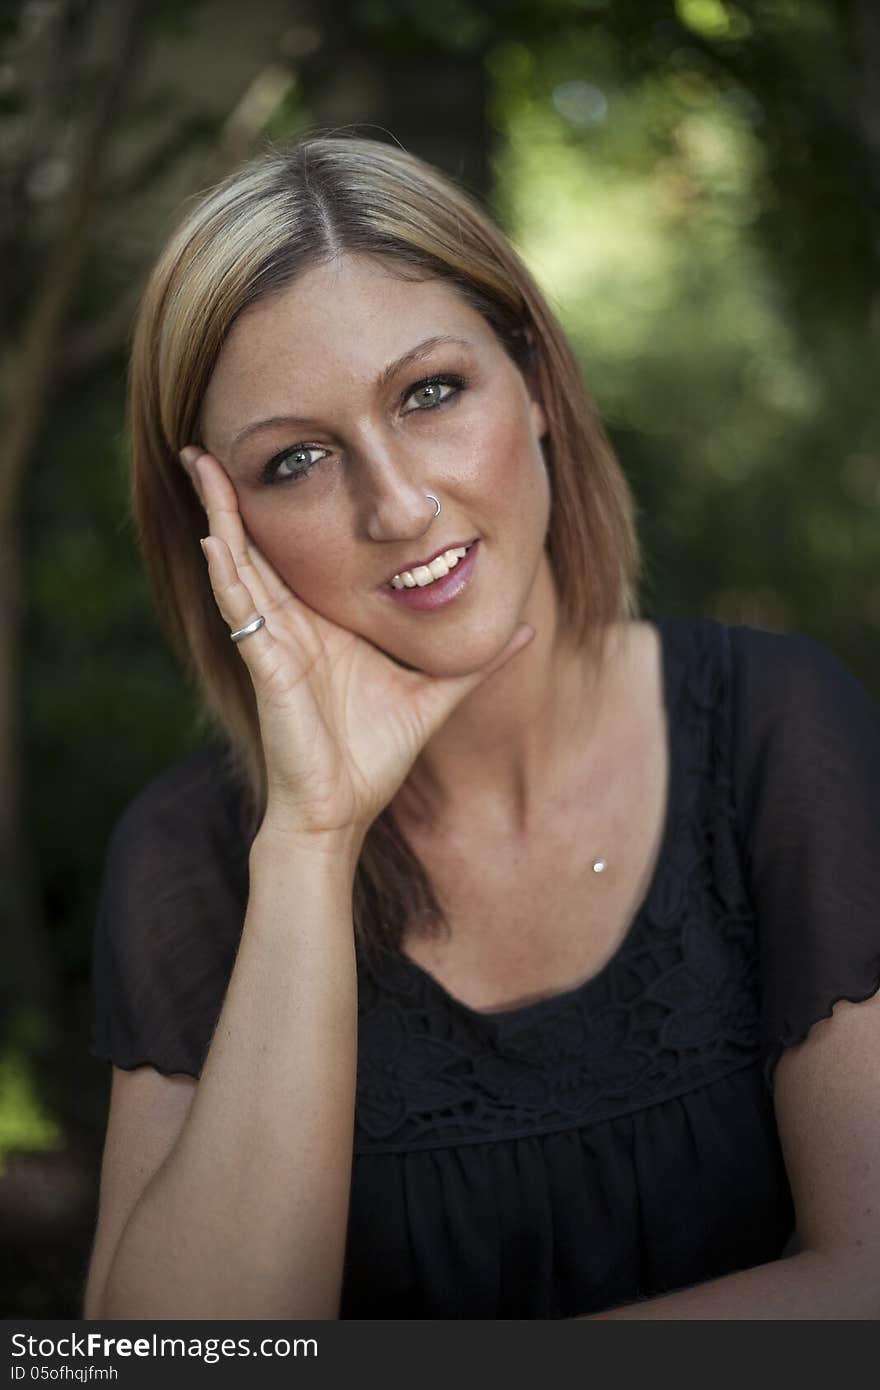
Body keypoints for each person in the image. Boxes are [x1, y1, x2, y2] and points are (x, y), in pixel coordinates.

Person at [83, 134, 880, 1321]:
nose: (397, 506)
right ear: (224, 532)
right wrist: (310, 840)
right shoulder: (191, 858)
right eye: (297, 459)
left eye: (429, 393)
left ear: (540, 384)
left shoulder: (774, 727)